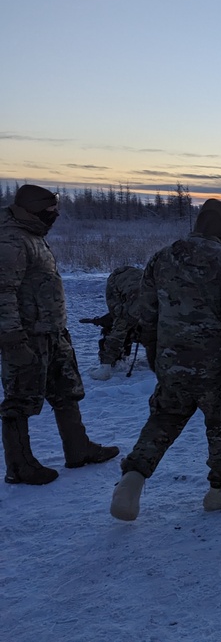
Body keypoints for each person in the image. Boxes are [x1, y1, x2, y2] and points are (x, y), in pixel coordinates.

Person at [110, 198, 221, 520]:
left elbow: (146, 314)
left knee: (163, 419)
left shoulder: (162, 257)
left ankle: (132, 479)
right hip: (215, 366)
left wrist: (155, 355)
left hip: (171, 362)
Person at [0, 184, 119, 485]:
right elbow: (3, 293)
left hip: (53, 332)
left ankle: (78, 449)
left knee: (67, 390)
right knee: (20, 399)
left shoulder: (34, 234)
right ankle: (19, 465)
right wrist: (13, 339)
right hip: (27, 336)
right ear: (31, 208)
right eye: (50, 210)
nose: (55, 215)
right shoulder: (12, 240)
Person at [87, 265, 144, 380]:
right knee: (120, 323)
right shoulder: (136, 305)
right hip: (118, 281)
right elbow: (119, 329)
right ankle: (107, 366)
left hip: (138, 282)